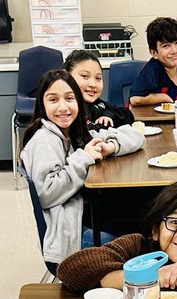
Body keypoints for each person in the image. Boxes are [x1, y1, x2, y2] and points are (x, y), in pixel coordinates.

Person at [20, 69, 144, 266]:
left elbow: (135, 135)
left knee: (144, 216)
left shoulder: (77, 133)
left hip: (86, 214)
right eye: (53, 100)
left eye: (69, 98)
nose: (63, 107)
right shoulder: (43, 140)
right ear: (42, 105)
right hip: (70, 234)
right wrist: (83, 157)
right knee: (134, 246)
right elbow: (47, 193)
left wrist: (111, 146)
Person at [129, 17, 177, 107]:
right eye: (166, 46)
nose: (174, 51)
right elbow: (135, 99)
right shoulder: (153, 68)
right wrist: (164, 97)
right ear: (154, 53)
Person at [65, 48, 135, 128]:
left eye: (98, 78)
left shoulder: (98, 104)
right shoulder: (68, 110)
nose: (93, 84)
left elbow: (127, 114)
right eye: (85, 76)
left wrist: (109, 115)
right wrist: (106, 124)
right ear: (67, 76)